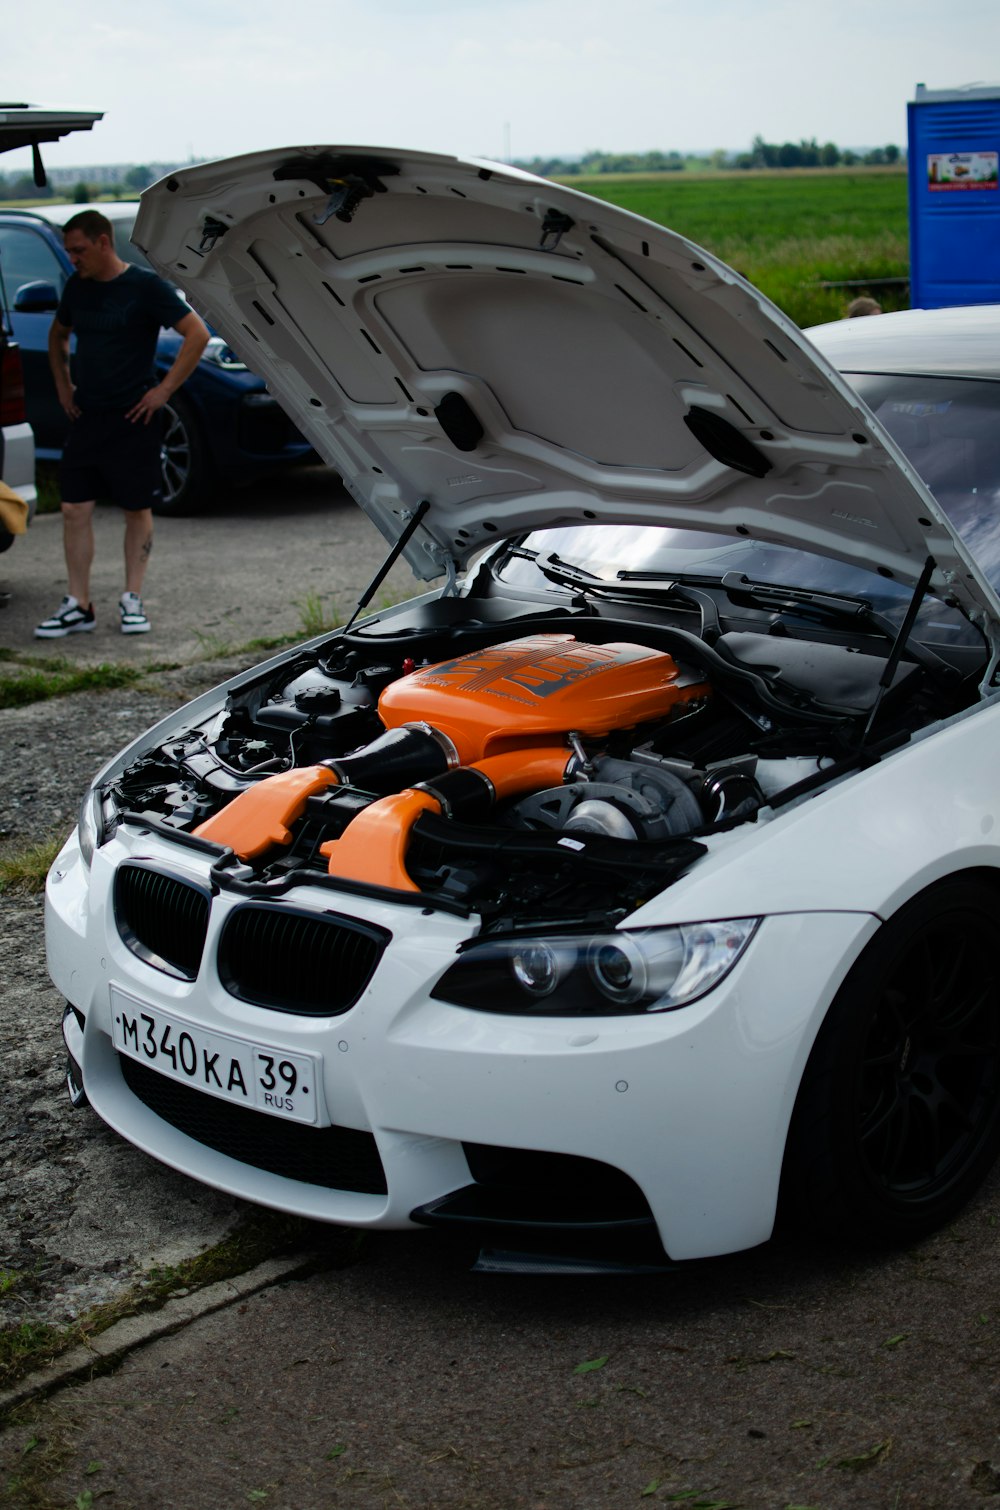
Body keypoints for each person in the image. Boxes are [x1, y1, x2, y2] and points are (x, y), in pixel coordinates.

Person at [36, 209, 209, 638]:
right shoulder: (78, 287)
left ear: (103, 242)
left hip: (135, 416)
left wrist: (164, 390)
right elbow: (57, 335)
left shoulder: (145, 286)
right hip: (87, 416)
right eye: (68, 251)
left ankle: (132, 598)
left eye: (78, 250)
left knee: (137, 508)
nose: (72, 259)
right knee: (74, 508)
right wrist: (63, 386)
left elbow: (197, 334)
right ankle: (79, 604)